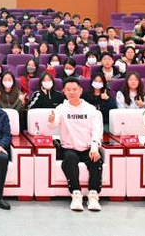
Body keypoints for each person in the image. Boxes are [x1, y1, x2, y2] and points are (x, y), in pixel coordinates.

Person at [48, 78, 104, 212]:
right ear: (64, 91)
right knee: (70, 159)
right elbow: (53, 125)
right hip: (69, 147)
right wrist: (51, 121)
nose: (72, 92)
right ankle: (76, 194)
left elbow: (97, 130)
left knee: (95, 161)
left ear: (80, 90)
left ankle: (93, 195)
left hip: (87, 147)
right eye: (68, 90)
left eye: (74, 89)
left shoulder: (90, 109)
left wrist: (94, 147)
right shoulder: (61, 108)